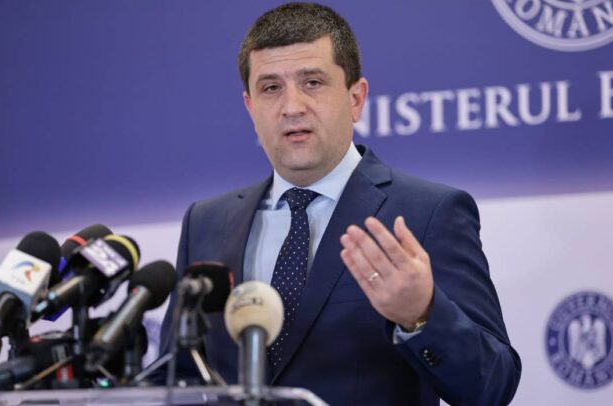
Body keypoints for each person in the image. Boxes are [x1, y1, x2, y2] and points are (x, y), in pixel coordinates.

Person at [156, 3, 521, 405]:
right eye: (271, 88)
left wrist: (421, 315)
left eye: (312, 82)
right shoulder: (206, 222)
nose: (292, 106)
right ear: (250, 106)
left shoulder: (427, 213)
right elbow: (179, 377)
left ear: (356, 98)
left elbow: (492, 385)